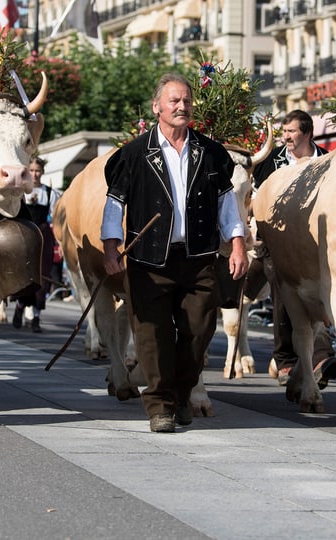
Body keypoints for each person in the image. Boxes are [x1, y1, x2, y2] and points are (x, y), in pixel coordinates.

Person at [101, 72, 248, 433]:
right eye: (173, 101)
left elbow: (227, 204)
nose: (181, 106)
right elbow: (114, 204)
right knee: (152, 336)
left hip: (198, 258)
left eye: (186, 101)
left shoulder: (210, 153)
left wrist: (238, 243)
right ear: (157, 107)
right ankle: (160, 406)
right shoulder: (134, 154)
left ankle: (181, 396)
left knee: (198, 332)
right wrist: (110, 247)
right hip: (148, 260)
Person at [252, 109, 336, 386]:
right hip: (279, 237)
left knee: (321, 293)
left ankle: (321, 356)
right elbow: (256, 196)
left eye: (291, 132)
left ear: (308, 134)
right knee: (282, 292)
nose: (285, 137)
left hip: (318, 240)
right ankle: (286, 359)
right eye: (284, 132)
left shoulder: (328, 161)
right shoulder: (271, 161)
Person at [12, 157, 59, 332]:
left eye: (37, 171)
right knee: (25, 273)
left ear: (42, 172)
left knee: (42, 274)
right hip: (25, 233)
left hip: (44, 235)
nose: (34, 174)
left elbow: (55, 218)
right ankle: (19, 306)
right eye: (31, 170)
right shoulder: (22, 191)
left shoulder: (49, 193)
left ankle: (36, 317)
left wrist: (59, 241)